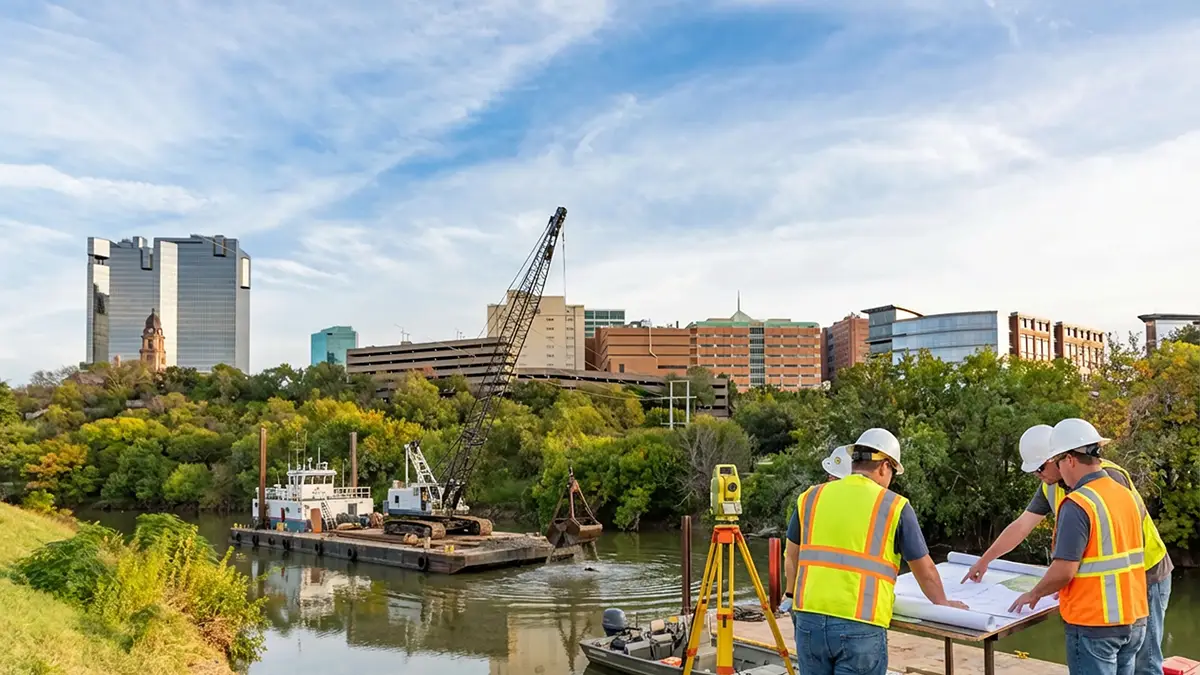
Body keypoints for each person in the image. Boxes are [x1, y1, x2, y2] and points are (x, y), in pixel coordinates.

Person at [964, 420, 1172, 675]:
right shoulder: (1054, 486)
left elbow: (1114, 542)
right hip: (1113, 597)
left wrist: (1045, 588)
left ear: (1061, 458)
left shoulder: (1107, 480)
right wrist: (985, 560)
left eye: (1041, 467)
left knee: (1146, 666)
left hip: (1145, 574)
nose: (1039, 475)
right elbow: (1021, 526)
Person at [780, 428, 967, 675]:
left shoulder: (811, 497)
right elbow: (925, 570)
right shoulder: (895, 506)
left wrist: (791, 594)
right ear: (884, 467)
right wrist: (942, 603)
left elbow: (791, 556)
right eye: (893, 472)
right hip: (860, 626)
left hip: (809, 620)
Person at [1009, 419, 1149, 675]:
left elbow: (1064, 570)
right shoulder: (1126, 495)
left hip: (1095, 624)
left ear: (1070, 460)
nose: (1058, 470)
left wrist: (1035, 593)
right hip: (1134, 618)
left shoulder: (1078, 504)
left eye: (1057, 461)